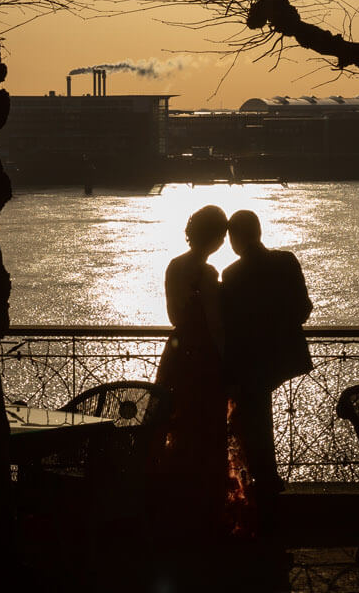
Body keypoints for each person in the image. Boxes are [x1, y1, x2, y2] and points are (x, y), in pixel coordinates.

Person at [220, 209, 314, 533]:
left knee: (254, 425)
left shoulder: (231, 275)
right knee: (260, 422)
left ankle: (263, 494)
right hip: (282, 357)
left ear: (234, 239)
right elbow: (303, 309)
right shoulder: (286, 262)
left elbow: (229, 326)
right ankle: (268, 489)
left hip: (249, 361)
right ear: (259, 232)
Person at [153, 204, 231, 540]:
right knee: (207, 429)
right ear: (216, 237)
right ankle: (205, 509)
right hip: (203, 359)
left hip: (177, 353)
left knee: (176, 422)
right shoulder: (209, 273)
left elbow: (173, 315)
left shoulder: (174, 266)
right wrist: (226, 359)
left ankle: (172, 503)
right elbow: (215, 325)